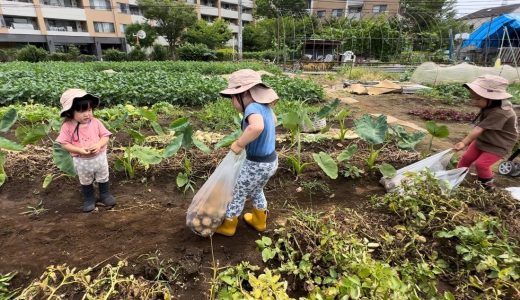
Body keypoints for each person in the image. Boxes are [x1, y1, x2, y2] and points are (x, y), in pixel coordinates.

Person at [215, 69, 279, 236]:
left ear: (244, 94)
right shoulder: (265, 107)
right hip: (270, 161)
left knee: (237, 191)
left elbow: (257, 127)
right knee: (256, 189)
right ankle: (259, 220)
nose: (232, 102)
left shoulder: (251, 108)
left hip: (256, 164)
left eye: (232, 98)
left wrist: (239, 143)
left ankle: (229, 225)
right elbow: (273, 121)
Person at [453, 75, 519, 191]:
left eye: (477, 99)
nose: (474, 102)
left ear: (492, 98)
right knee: (466, 158)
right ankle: (455, 177)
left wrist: (464, 142)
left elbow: (479, 128)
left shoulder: (501, 112)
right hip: (485, 139)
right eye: (473, 98)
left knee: (481, 165)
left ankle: (487, 186)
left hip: (498, 144)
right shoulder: (491, 105)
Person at [56, 89, 116, 212]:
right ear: (70, 111)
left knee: (103, 176)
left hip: (99, 157)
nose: (87, 114)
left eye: (89, 110)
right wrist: (79, 150)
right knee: (85, 179)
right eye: (82, 111)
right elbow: (64, 144)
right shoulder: (67, 126)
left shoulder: (96, 122)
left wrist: (99, 145)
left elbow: (105, 136)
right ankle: (89, 198)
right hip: (81, 160)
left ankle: (105, 194)